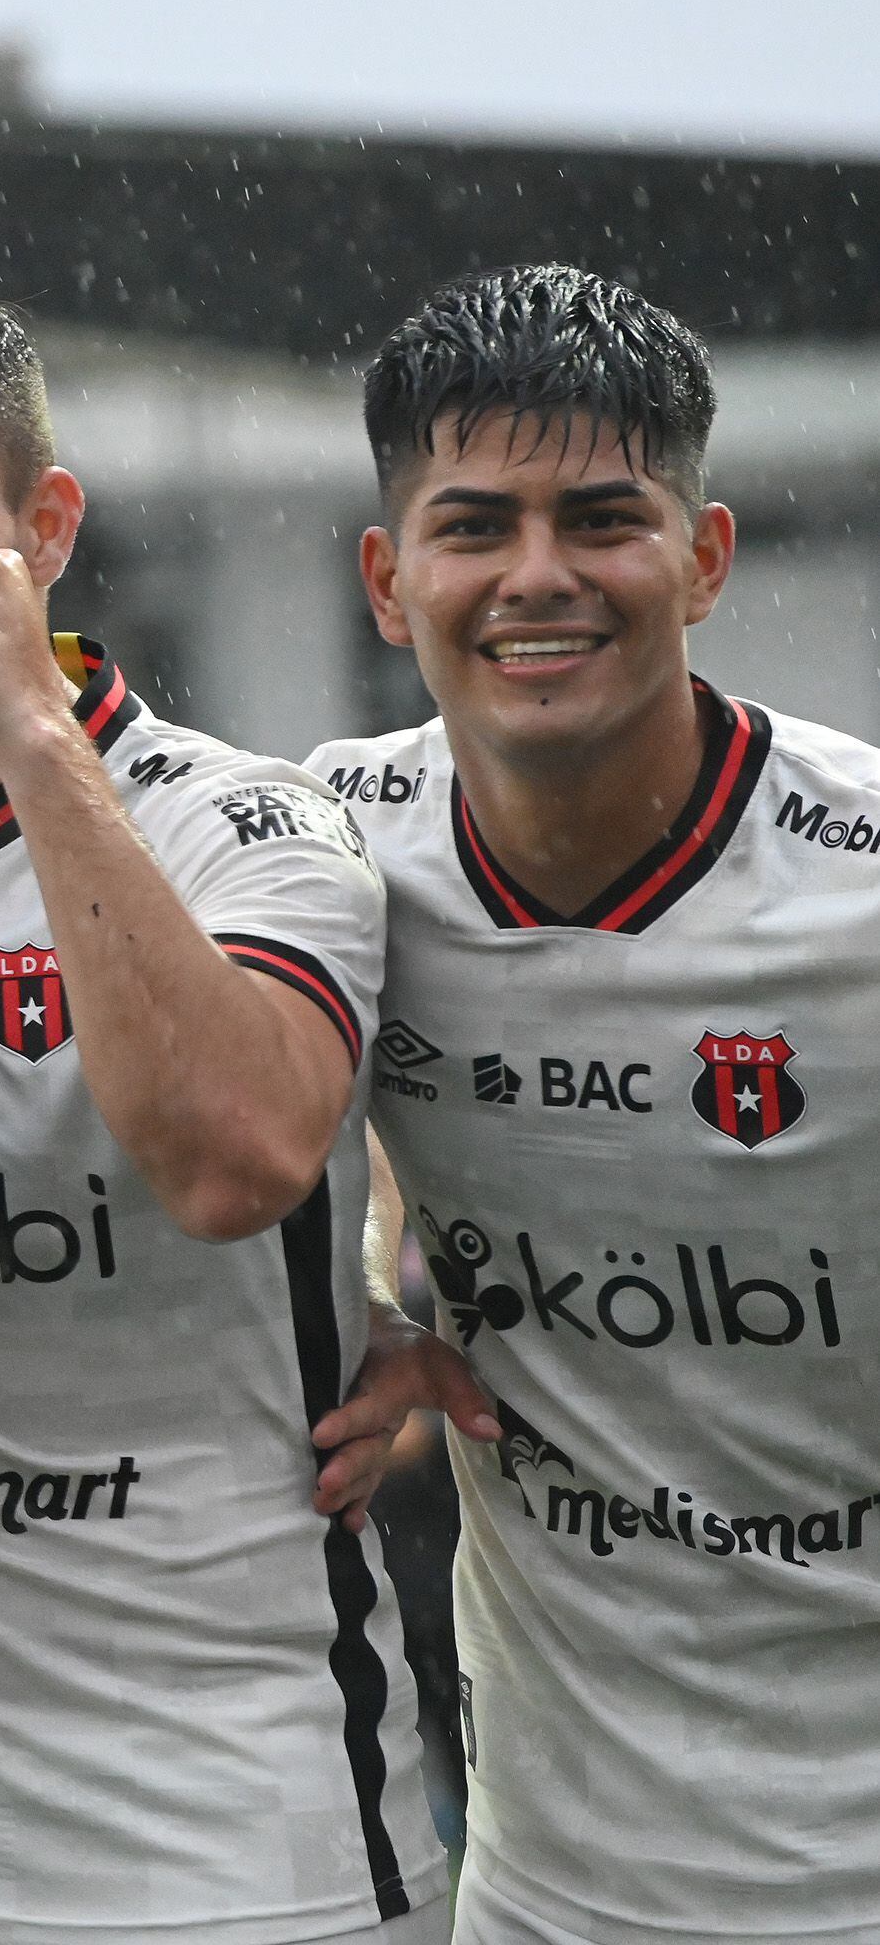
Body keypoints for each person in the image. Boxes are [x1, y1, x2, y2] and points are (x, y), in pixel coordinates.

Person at [0, 261, 479, 1945]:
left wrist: (26, 737)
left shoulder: (241, 825)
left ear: (42, 526)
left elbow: (230, 1158)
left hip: (235, 1847)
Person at [311, 263, 880, 1945]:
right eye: (473, 522)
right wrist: (345, 1295)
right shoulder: (324, 853)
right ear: (384, 576)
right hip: (560, 1891)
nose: (535, 576)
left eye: (601, 517)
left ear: (700, 559)